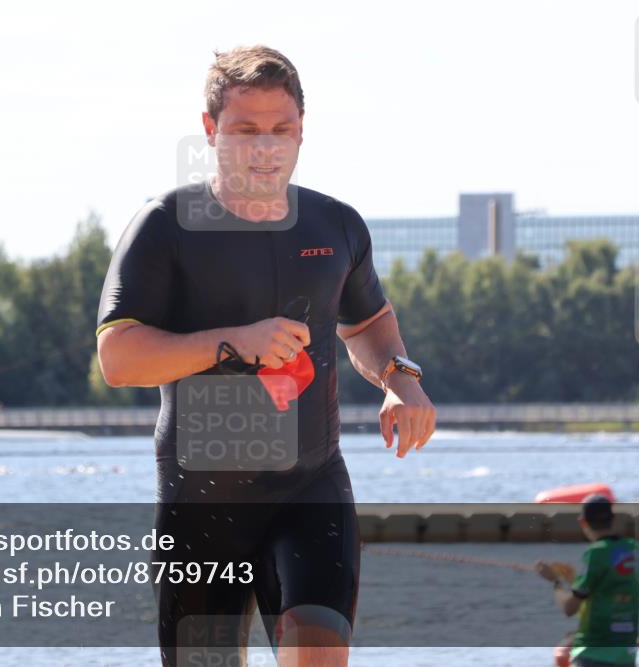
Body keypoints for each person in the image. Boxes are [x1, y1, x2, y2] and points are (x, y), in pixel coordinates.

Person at [96, 45, 436, 667]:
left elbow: (369, 324)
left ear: (302, 131)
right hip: (201, 503)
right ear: (209, 130)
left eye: (283, 130)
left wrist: (400, 377)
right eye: (245, 130)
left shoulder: (336, 226)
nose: (265, 147)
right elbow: (118, 358)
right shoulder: (164, 225)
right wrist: (232, 342)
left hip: (311, 490)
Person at [536, 494, 639, 667]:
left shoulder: (596, 552)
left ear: (583, 521)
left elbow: (570, 608)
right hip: (626, 656)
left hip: (593, 654)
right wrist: (575, 580)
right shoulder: (635, 550)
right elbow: (608, 590)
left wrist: (556, 582)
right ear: (613, 519)